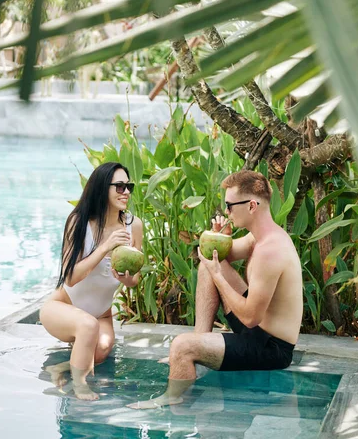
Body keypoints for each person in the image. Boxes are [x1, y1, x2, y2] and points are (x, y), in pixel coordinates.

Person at [128, 170, 302, 409]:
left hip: (271, 348)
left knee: (181, 345)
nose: (227, 212)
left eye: (230, 206)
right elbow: (216, 257)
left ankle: (173, 397)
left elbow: (251, 318)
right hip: (257, 332)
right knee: (207, 268)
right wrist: (222, 238)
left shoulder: (270, 251)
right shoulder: (258, 238)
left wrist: (220, 277)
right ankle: (200, 344)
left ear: (252, 206)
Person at [40, 161, 143, 401]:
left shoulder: (133, 226)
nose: (126, 192)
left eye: (128, 186)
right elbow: (71, 277)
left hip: (101, 314)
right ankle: (80, 385)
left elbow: (135, 280)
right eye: (119, 186)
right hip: (62, 307)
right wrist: (105, 247)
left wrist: (126, 279)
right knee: (87, 326)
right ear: (101, 188)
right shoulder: (79, 221)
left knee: (103, 348)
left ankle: (61, 367)